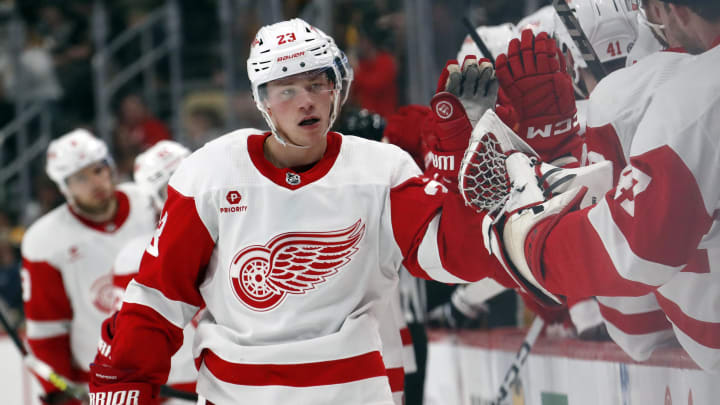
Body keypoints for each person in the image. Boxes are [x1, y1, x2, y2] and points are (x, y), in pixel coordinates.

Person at [89, 18, 501, 405]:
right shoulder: (211, 174)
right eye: (286, 89)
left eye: (317, 83)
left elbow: (457, 260)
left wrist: (462, 155)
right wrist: (122, 380)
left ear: (337, 85)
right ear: (263, 100)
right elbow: (158, 298)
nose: (306, 101)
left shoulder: (383, 170)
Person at [472, 0, 720, 372]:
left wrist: (531, 235)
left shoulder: (683, 100)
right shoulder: (686, 87)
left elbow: (637, 324)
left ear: (677, 9)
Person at [21, 129, 157, 404]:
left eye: (98, 170)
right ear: (64, 187)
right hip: (106, 382)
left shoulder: (149, 202)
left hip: (176, 368)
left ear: (109, 167)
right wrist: (59, 393)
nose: (94, 182)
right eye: (79, 178)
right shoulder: (45, 240)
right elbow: (47, 328)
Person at [109, 140, 197, 404]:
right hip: (178, 395)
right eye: (169, 187)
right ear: (153, 200)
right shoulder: (135, 257)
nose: (184, 193)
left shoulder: (239, 234)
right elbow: (130, 345)